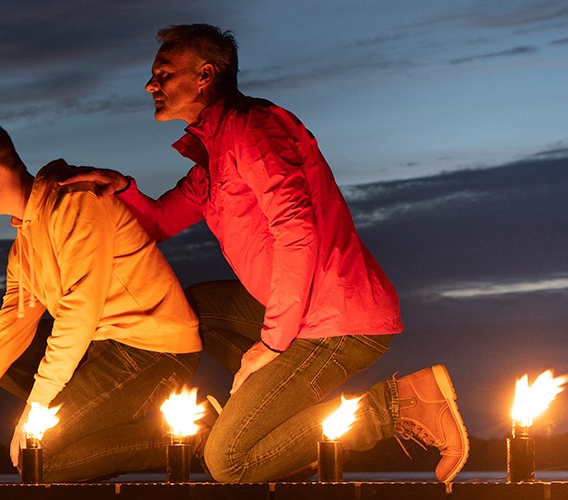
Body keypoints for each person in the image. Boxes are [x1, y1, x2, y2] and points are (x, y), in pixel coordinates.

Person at [60, 24, 468, 483]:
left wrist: (270, 345)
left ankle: (397, 406)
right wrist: (120, 188)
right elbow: (158, 222)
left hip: (339, 323)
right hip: (300, 313)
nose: (151, 85)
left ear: (205, 75)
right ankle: (277, 428)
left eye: (164, 73)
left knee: (227, 463)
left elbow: (298, 231)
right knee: (191, 310)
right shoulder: (213, 155)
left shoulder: (253, 127)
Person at [0, 120, 203, 482]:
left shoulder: (76, 202)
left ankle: (194, 435)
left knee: (41, 461)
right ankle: (84, 421)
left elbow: (79, 314)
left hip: (153, 349)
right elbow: (7, 332)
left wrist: (35, 413)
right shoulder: (23, 246)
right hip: (98, 347)